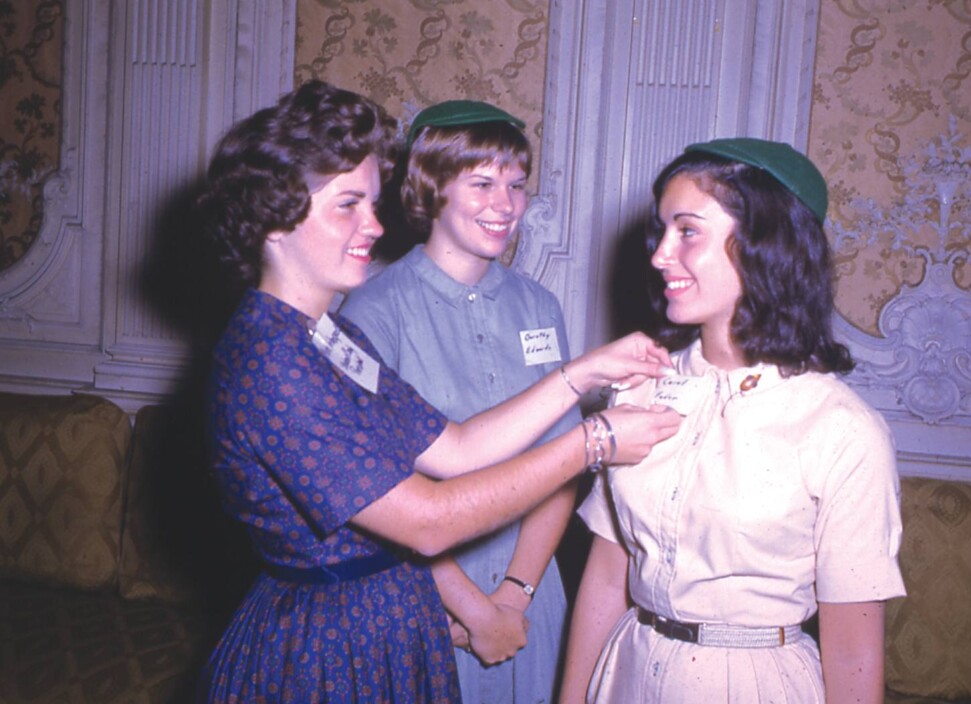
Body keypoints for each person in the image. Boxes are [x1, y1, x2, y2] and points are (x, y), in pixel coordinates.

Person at [191, 80, 681, 703]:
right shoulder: (272, 359)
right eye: (348, 205)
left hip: (385, 624)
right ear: (273, 219)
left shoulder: (327, 336)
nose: (374, 224)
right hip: (327, 645)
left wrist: (581, 373)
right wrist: (596, 440)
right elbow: (428, 522)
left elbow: (455, 447)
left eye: (372, 203)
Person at [559, 138, 906, 703]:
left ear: (762, 245)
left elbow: (852, 649)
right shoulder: (639, 385)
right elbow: (607, 572)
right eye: (662, 231)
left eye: (687, 231)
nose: (659, 255)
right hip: (629, 670)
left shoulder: (841, 429)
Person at [341, 100, 575, 703]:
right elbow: (375, 495)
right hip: (429, 604)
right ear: (432, 186)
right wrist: (476, 610)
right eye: (482, 183)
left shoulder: (540, 307)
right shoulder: (372, 311)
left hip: (531, 599)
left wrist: (514, 596)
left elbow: (564, 462)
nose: (506, 204)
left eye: (516, 185)